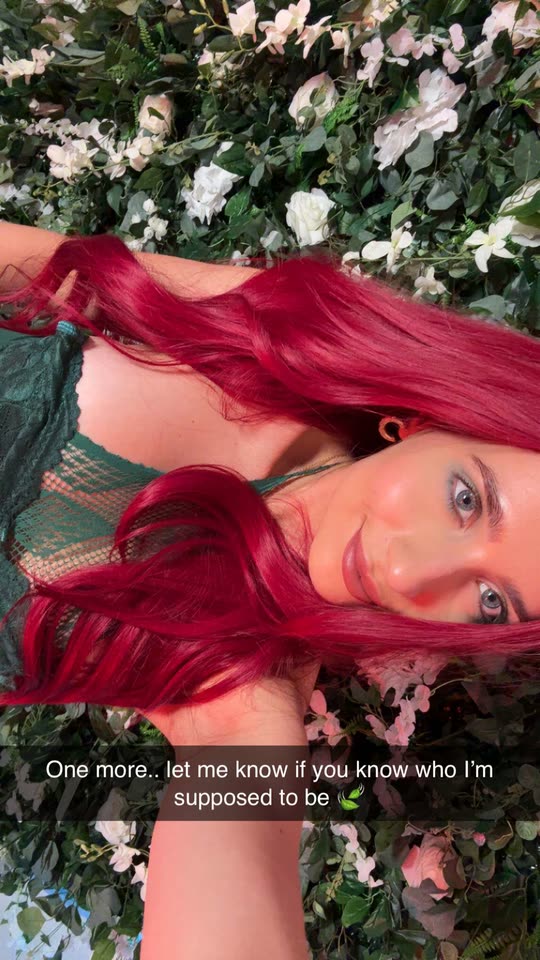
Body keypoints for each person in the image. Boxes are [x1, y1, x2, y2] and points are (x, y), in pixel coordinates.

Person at [0, 221, 540, 957]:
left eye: (489, 601)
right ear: (431, 419)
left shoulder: (248, 691)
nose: (409, 575)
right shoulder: (271, 335)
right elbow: (33, 263)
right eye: (464, 499)